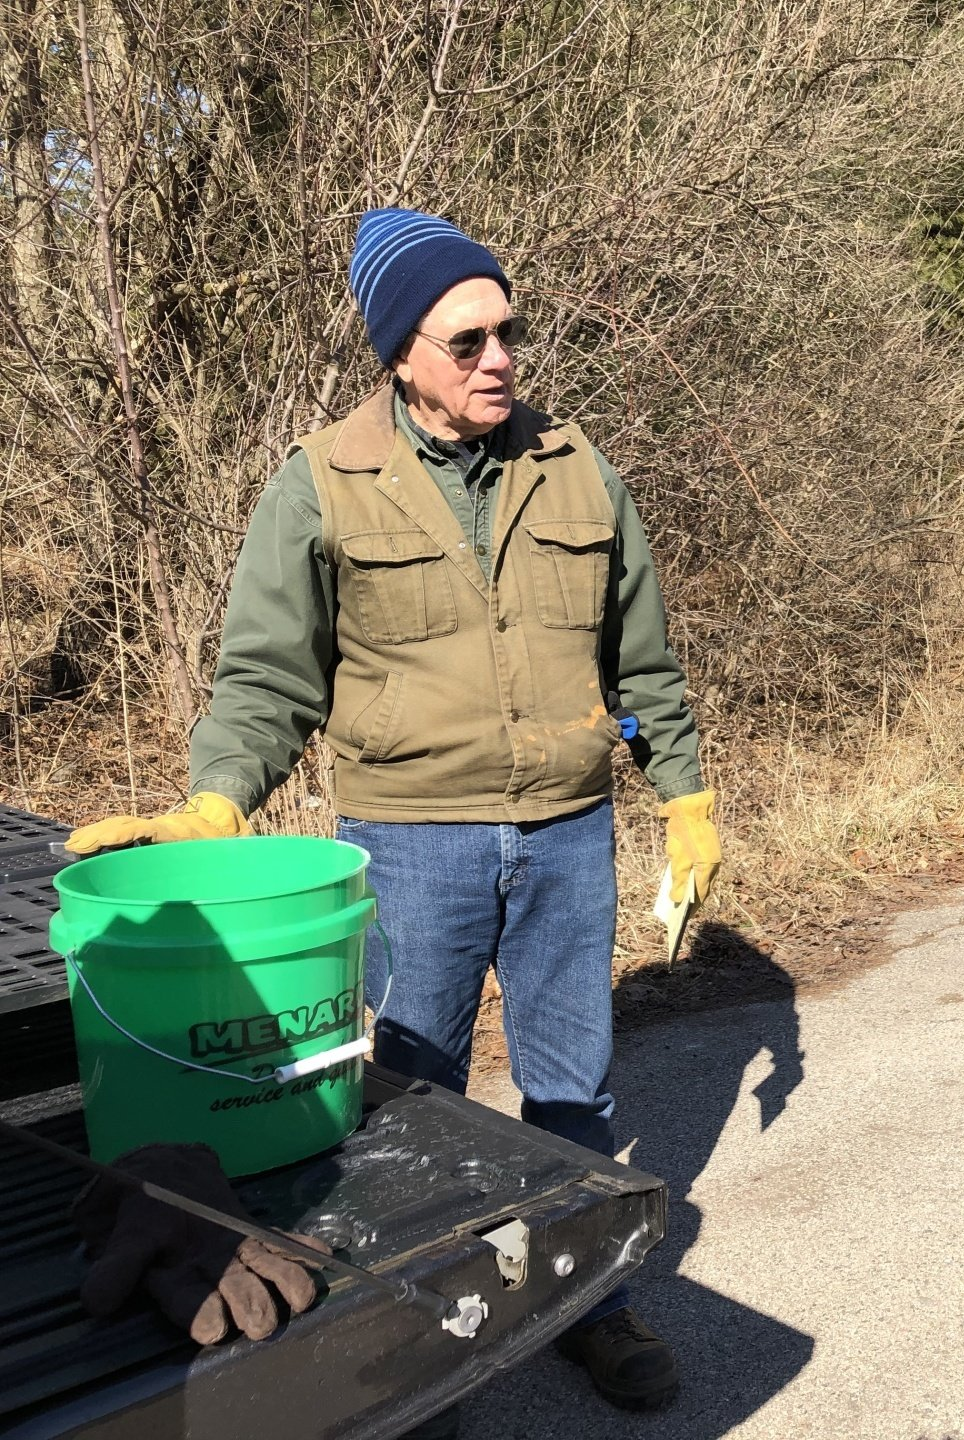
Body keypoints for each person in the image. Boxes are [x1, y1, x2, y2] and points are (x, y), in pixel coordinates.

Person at [67, 208, 721, 1413]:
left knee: (574, 1086)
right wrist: (218, 799)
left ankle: (592, 1299)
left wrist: (684, 791)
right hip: (414, 845)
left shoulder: (576, 467)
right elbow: (267, 680)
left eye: (507, 331)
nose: (498, 358)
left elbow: (643, 664)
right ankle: (426, 1327)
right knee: (415, 1100)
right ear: (401, 355)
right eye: (466, 340)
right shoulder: (322, 482)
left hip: (569, 835)